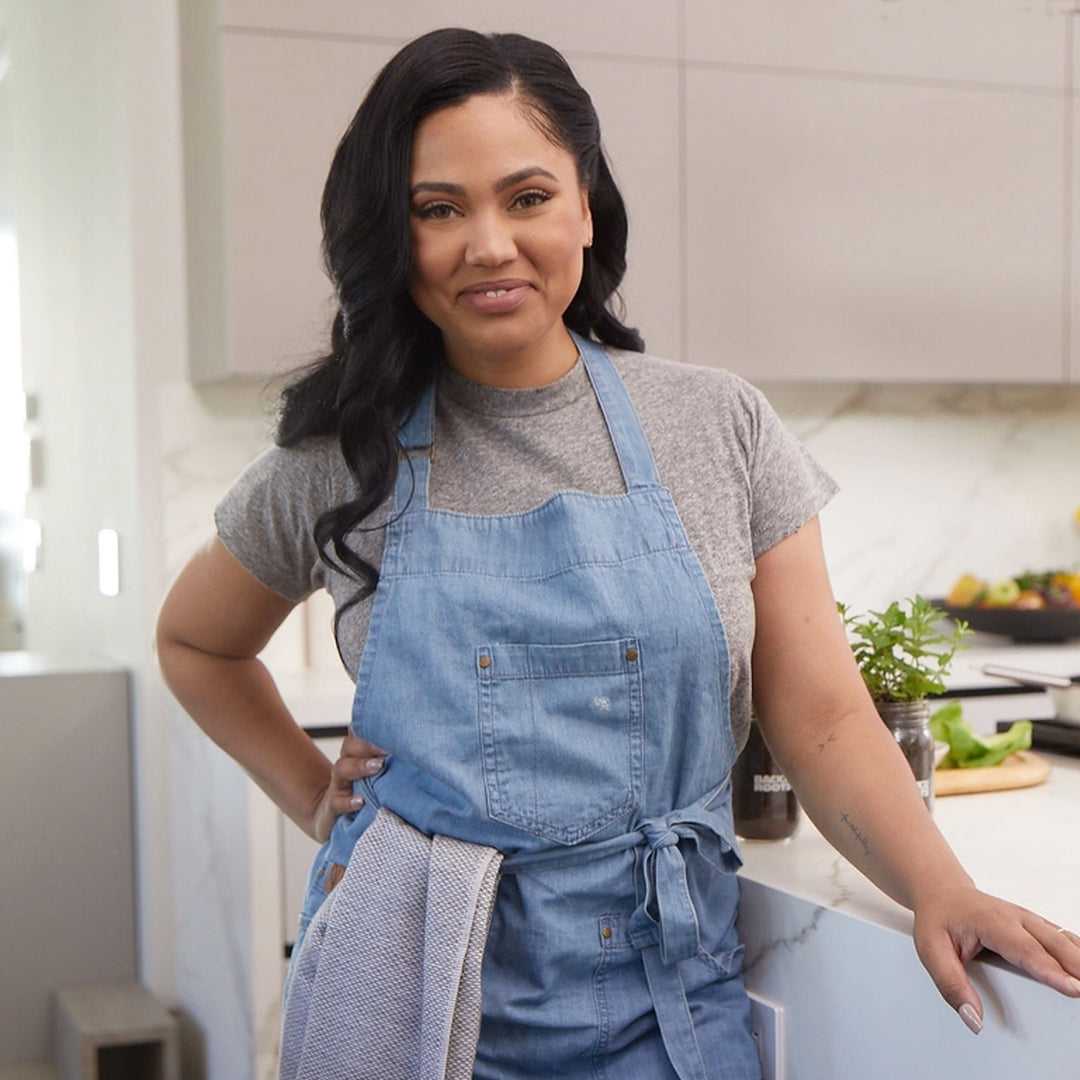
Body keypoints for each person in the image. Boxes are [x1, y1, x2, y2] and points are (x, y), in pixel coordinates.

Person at [156, 27, 1080, 1080]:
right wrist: (312, 790)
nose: (489, 244)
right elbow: (195, 643)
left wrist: (940, 888)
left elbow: (819, 714)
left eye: (528, 196)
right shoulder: (341, 455)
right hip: (409, 1001)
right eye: (437, 209)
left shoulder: (717, 424)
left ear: (587, 205)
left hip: (671, 1000)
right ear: (392, 237)